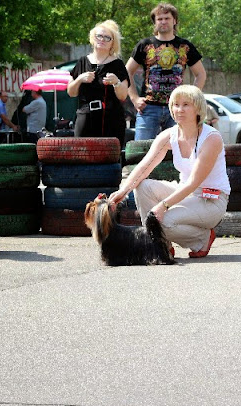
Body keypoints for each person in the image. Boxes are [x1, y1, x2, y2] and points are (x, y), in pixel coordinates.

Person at [109, 85, 230, 258]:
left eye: (186, 104)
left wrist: (163, 206)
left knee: (161, 222)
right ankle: (161, 245)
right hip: (186, 193)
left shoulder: (212, 138)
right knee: (143, 186)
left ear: (198, 108)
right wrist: (123, 191)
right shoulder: (169, 135)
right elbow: (144, 167)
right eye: (176, 104)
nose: (179, 109)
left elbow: (193, 182)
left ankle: (202, 238)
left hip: (211, 200)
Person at [126, 3, 206, 140]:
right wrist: (134, 98)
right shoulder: (144, 45)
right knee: (141, 151)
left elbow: (201, 74)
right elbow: (127, 72)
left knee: (179, 150)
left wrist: (191, 98)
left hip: (177, 110)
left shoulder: (185, 46)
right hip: (148, 108)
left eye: (167, 18)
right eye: (160, 19)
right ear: (155, 22)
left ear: (174, 21)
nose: (163, 22)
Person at [67, 20, 129, 145]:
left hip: (111, 119)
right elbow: (71, 92)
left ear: (113, 43)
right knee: (83, 157)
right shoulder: (82, 62)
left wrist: (116, 82)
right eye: (99, 36)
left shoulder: (117, 64)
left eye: (107, 38)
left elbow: (123, 96)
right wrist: (80, 79)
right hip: (85, 117)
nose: (102, 40)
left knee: (110, 159)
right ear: (93, 38)